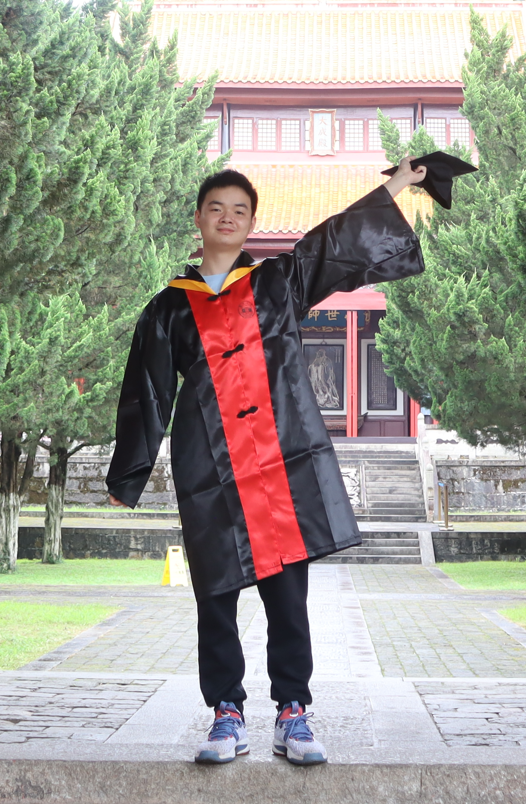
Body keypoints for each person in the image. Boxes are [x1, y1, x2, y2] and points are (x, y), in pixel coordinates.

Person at [106, 158, 427, 765]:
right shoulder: (169, 308)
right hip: (210, 468)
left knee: (288, 594)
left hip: (280, 462)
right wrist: (128, 474)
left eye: (239, 210)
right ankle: (226, 713)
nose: (227, 218)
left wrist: (397, 185)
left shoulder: (277, 282)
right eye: (216, 208)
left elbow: (334, 241)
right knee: (215, 593)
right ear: (199, 218)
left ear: (252, 223)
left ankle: (292, 711)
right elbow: (146, 391)